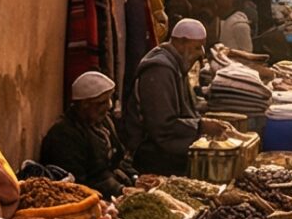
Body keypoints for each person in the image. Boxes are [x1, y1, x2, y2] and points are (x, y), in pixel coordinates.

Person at [128, 17, 229, 175]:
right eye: (197, 47)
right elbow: (162, 124)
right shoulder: (160, 69)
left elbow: (186, 108)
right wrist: (201, 125)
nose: (201, 54)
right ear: (181, 42)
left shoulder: (174, 64)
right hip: (153, 153)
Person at [39, 70, 137, 198]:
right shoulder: (64, 135)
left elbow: (118, 158)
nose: (109, 106)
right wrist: (119, 190)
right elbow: (78, 184)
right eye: (102, 102)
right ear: (84, 104)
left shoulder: (103, 122)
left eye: (109, 100)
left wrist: (135, 179)